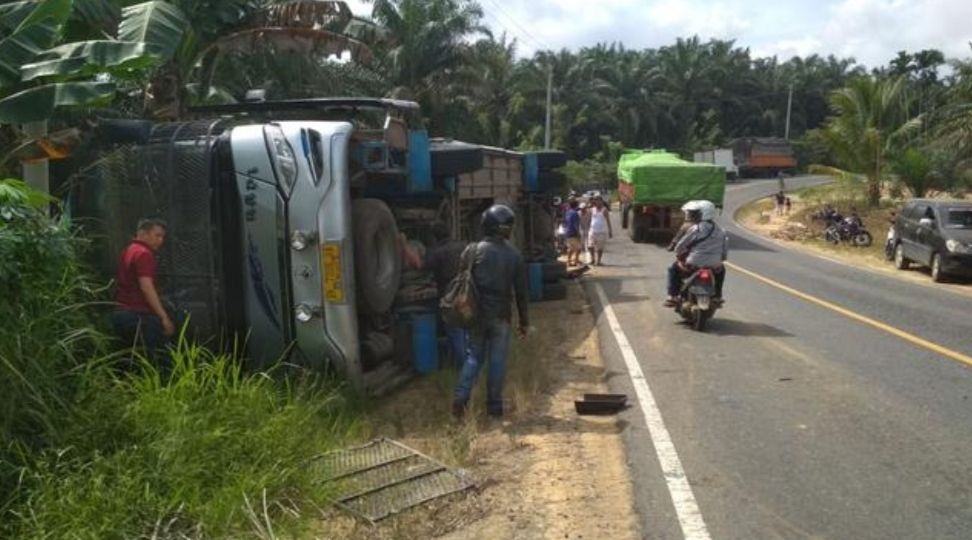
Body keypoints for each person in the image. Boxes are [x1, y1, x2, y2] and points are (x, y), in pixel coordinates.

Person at [453, 205, 529, 419]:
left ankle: (460, 398)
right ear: (507, 229)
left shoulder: (472, 250)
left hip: (475, 315)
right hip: (501, 316)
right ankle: (494, 408)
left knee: (474, 357)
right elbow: (521, 293)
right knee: (497, 361)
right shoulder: (514, 256)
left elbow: (461, 280)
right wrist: (524, 322)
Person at [401, 222, 469, 367]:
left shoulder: (437, 252)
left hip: (450, 297)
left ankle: (465, 370)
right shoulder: (463, 246)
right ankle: (470, 363)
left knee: (455, 332)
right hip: (467, 294)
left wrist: (403, 245)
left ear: (434, 237)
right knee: (465, 330)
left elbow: (418, 266)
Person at [110, 218, 174, 360]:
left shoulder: (128, 250)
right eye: (157, 235)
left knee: (132, 362)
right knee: (160, 361)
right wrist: (164, 317)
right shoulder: (144, 253)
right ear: (143, 234)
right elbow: (146, 287)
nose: (161, 240)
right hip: (138, 317)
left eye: (162, 237)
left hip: (121, 314)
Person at [664, 201, 728, 307]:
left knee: (673, 268)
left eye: (695, 213)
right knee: (722, 270)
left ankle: (672, 296)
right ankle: (718, 296)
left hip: (693, 264)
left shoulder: (696, 229)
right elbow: (724, 253)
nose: (692, 215)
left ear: (702, 214)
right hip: (715, 265)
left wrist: (679, 254)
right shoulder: (722, 231)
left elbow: (680, 246)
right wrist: (718, 261)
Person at [587, 196, 613, 266]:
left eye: (599, 201)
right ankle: (592, 259)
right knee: (590, 246)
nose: (598, 202)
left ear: (601, 201)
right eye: (596, 201)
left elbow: (608, 221)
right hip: (592, 231)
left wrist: (610, 231)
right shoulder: (592, 210)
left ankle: (598, 261)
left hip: (601, 232)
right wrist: (587, 229)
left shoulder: (604, 210)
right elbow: (589, 220)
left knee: (600, 248)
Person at [563, 199, 583, 267]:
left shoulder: (567, 212)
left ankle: (568, 261)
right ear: (576, 205)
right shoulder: (575, 213)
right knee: (579, 248)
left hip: (567, 232)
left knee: (570, 248)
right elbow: (575, 224)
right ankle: (576, 261)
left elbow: (565, 222)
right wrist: (578, 233)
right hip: (573, 233)